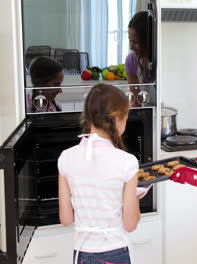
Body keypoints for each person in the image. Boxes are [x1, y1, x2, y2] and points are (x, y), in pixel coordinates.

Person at [58, 84, 141, 264]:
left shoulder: (66, 158)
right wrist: (135, 197)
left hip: (81, 253)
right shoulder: (127, 162)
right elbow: (130, 224)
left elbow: (65, 219)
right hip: (115, 251)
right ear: (117, 120)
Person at [126, 11, 152, 106]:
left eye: (136, 42)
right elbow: (135, 101)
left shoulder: (161, 61)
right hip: (145, 115)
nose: (131, 47)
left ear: (147, 40)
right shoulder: (131, 61)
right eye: (130, 40)